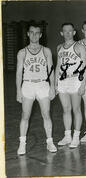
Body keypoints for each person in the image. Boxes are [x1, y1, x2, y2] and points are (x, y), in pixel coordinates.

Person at [16, 23, 57, 155]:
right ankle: (22, 144)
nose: (34, 35)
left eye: (37, 33)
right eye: (31, 32)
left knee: (46, 114)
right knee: (25, 115)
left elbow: (51, 70)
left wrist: (52, 87)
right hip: (27, 85)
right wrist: (18, 90)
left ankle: (50, 142)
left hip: (42, 85)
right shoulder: (22, 52)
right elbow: (18, 73)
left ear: (40, 35)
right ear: (28, 34)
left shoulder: (46, 51)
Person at [55, 23, 86, 148]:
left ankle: (76, 137)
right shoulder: (59, 47)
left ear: (74, 32)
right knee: (66, 109)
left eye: (70, 31)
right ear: (61, 33)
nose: (68, 33)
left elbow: (84, 67)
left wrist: (83, 84)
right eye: (65, 31)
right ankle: (67, 136)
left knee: (76, 109)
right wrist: (55, 83)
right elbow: (58, 66)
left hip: (75, 80)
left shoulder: (79, 47)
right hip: (63, 81)